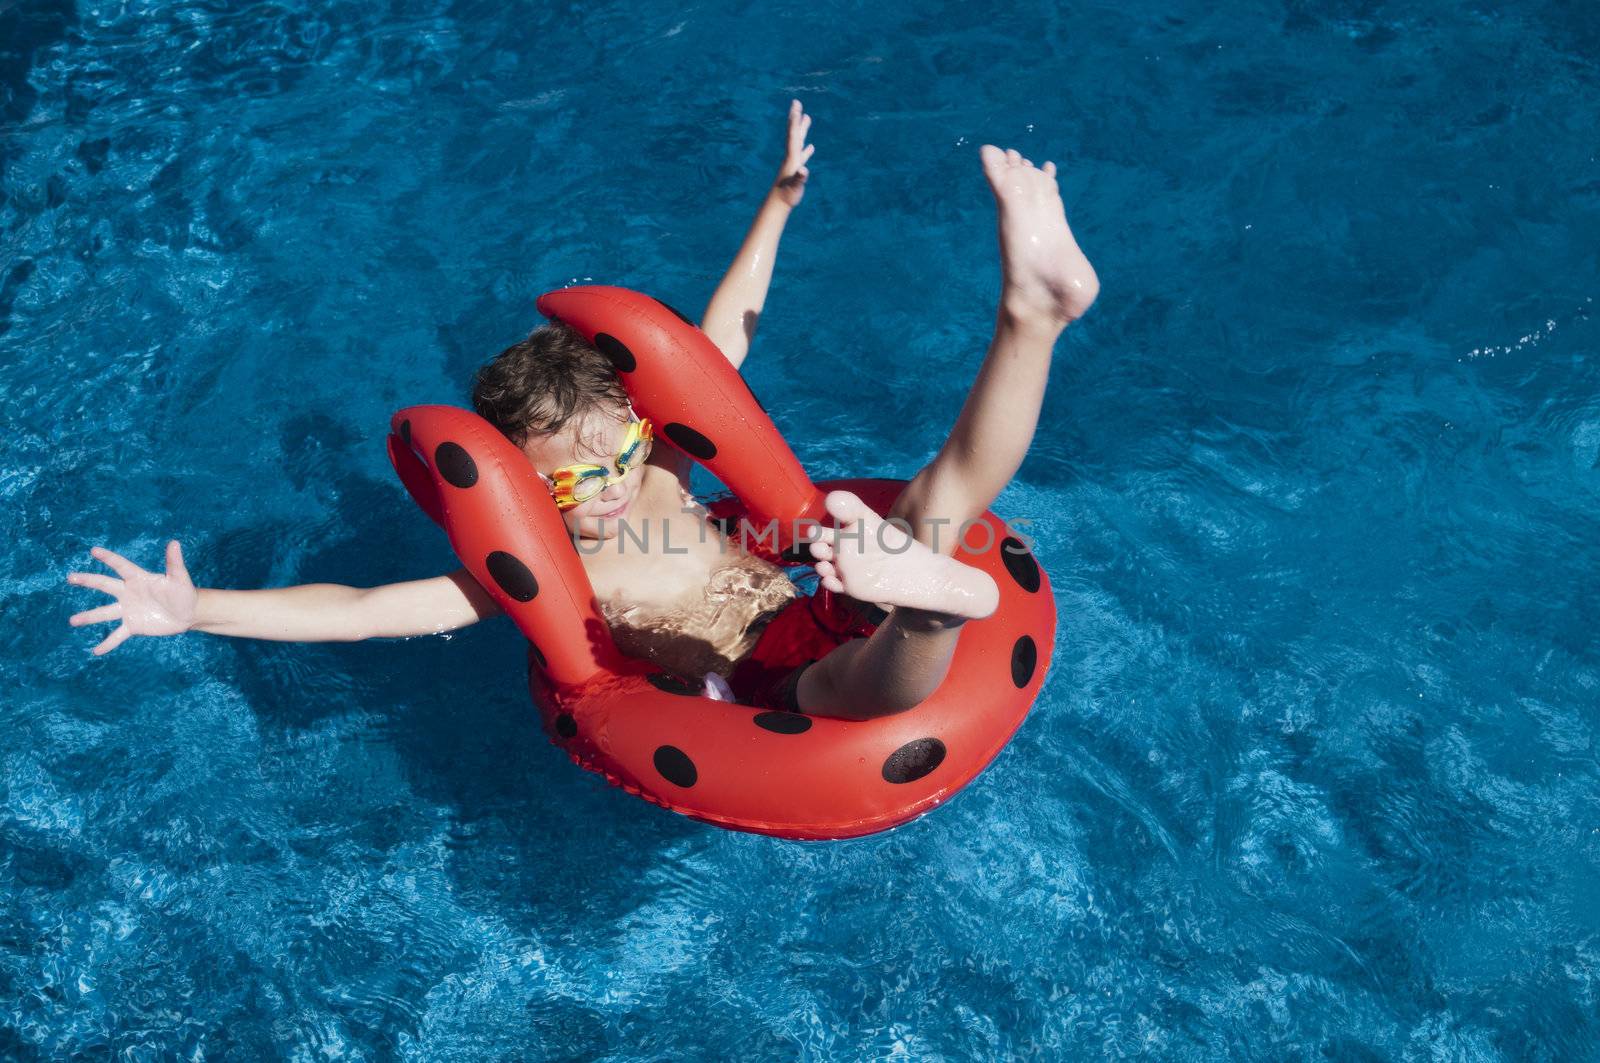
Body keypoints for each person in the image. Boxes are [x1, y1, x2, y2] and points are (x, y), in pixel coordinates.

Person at [65, 100, 1098, 720]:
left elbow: (718, 343)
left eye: (616, 462)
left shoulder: (661, 474)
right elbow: (367, 608)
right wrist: (200, 609)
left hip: (806, 604)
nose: (603, 496)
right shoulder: (534, 568)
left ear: (640, 436)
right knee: (843, 691)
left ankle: (1029, 318)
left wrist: (776, 206)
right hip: (761, 679)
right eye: (565, 480)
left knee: (937, 495)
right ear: (518, 484)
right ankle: (929, 604)